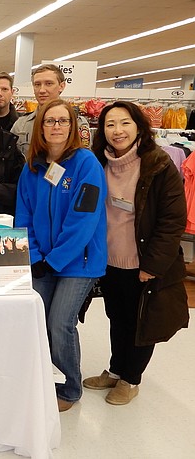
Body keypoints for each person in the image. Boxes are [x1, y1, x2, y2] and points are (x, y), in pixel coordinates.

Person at [85, 101, 189, 405]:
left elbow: (172, 221)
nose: (117, 131)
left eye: (125, 123)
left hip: (143, 262)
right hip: (109, 259)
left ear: (138, 126)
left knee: (140, 321)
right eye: (110, 124)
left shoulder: (158, 164)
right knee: (117, 317)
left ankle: (131, 379)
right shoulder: (98, 162)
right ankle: (117, 370)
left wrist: (153, 265)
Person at [15, 98, 107, 412]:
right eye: (49, 121)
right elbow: (23, 217)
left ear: (72, 127)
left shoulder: (87, 164)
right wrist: (36, 256)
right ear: (40, 127)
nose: (56, 127)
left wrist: (53, 260)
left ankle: (69, 388)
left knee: (59, 323)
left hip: (78, 262)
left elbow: (84, 219)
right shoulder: (33, 168)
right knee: (35, 318)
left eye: (62, 121)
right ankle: (43, 379)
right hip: (41, 260)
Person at [11, 64, 90, 154]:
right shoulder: (21, 125)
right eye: (37, 84)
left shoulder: (77, 123)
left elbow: (83, 159)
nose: (42, 90)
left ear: (62, 86)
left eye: (49, 84)